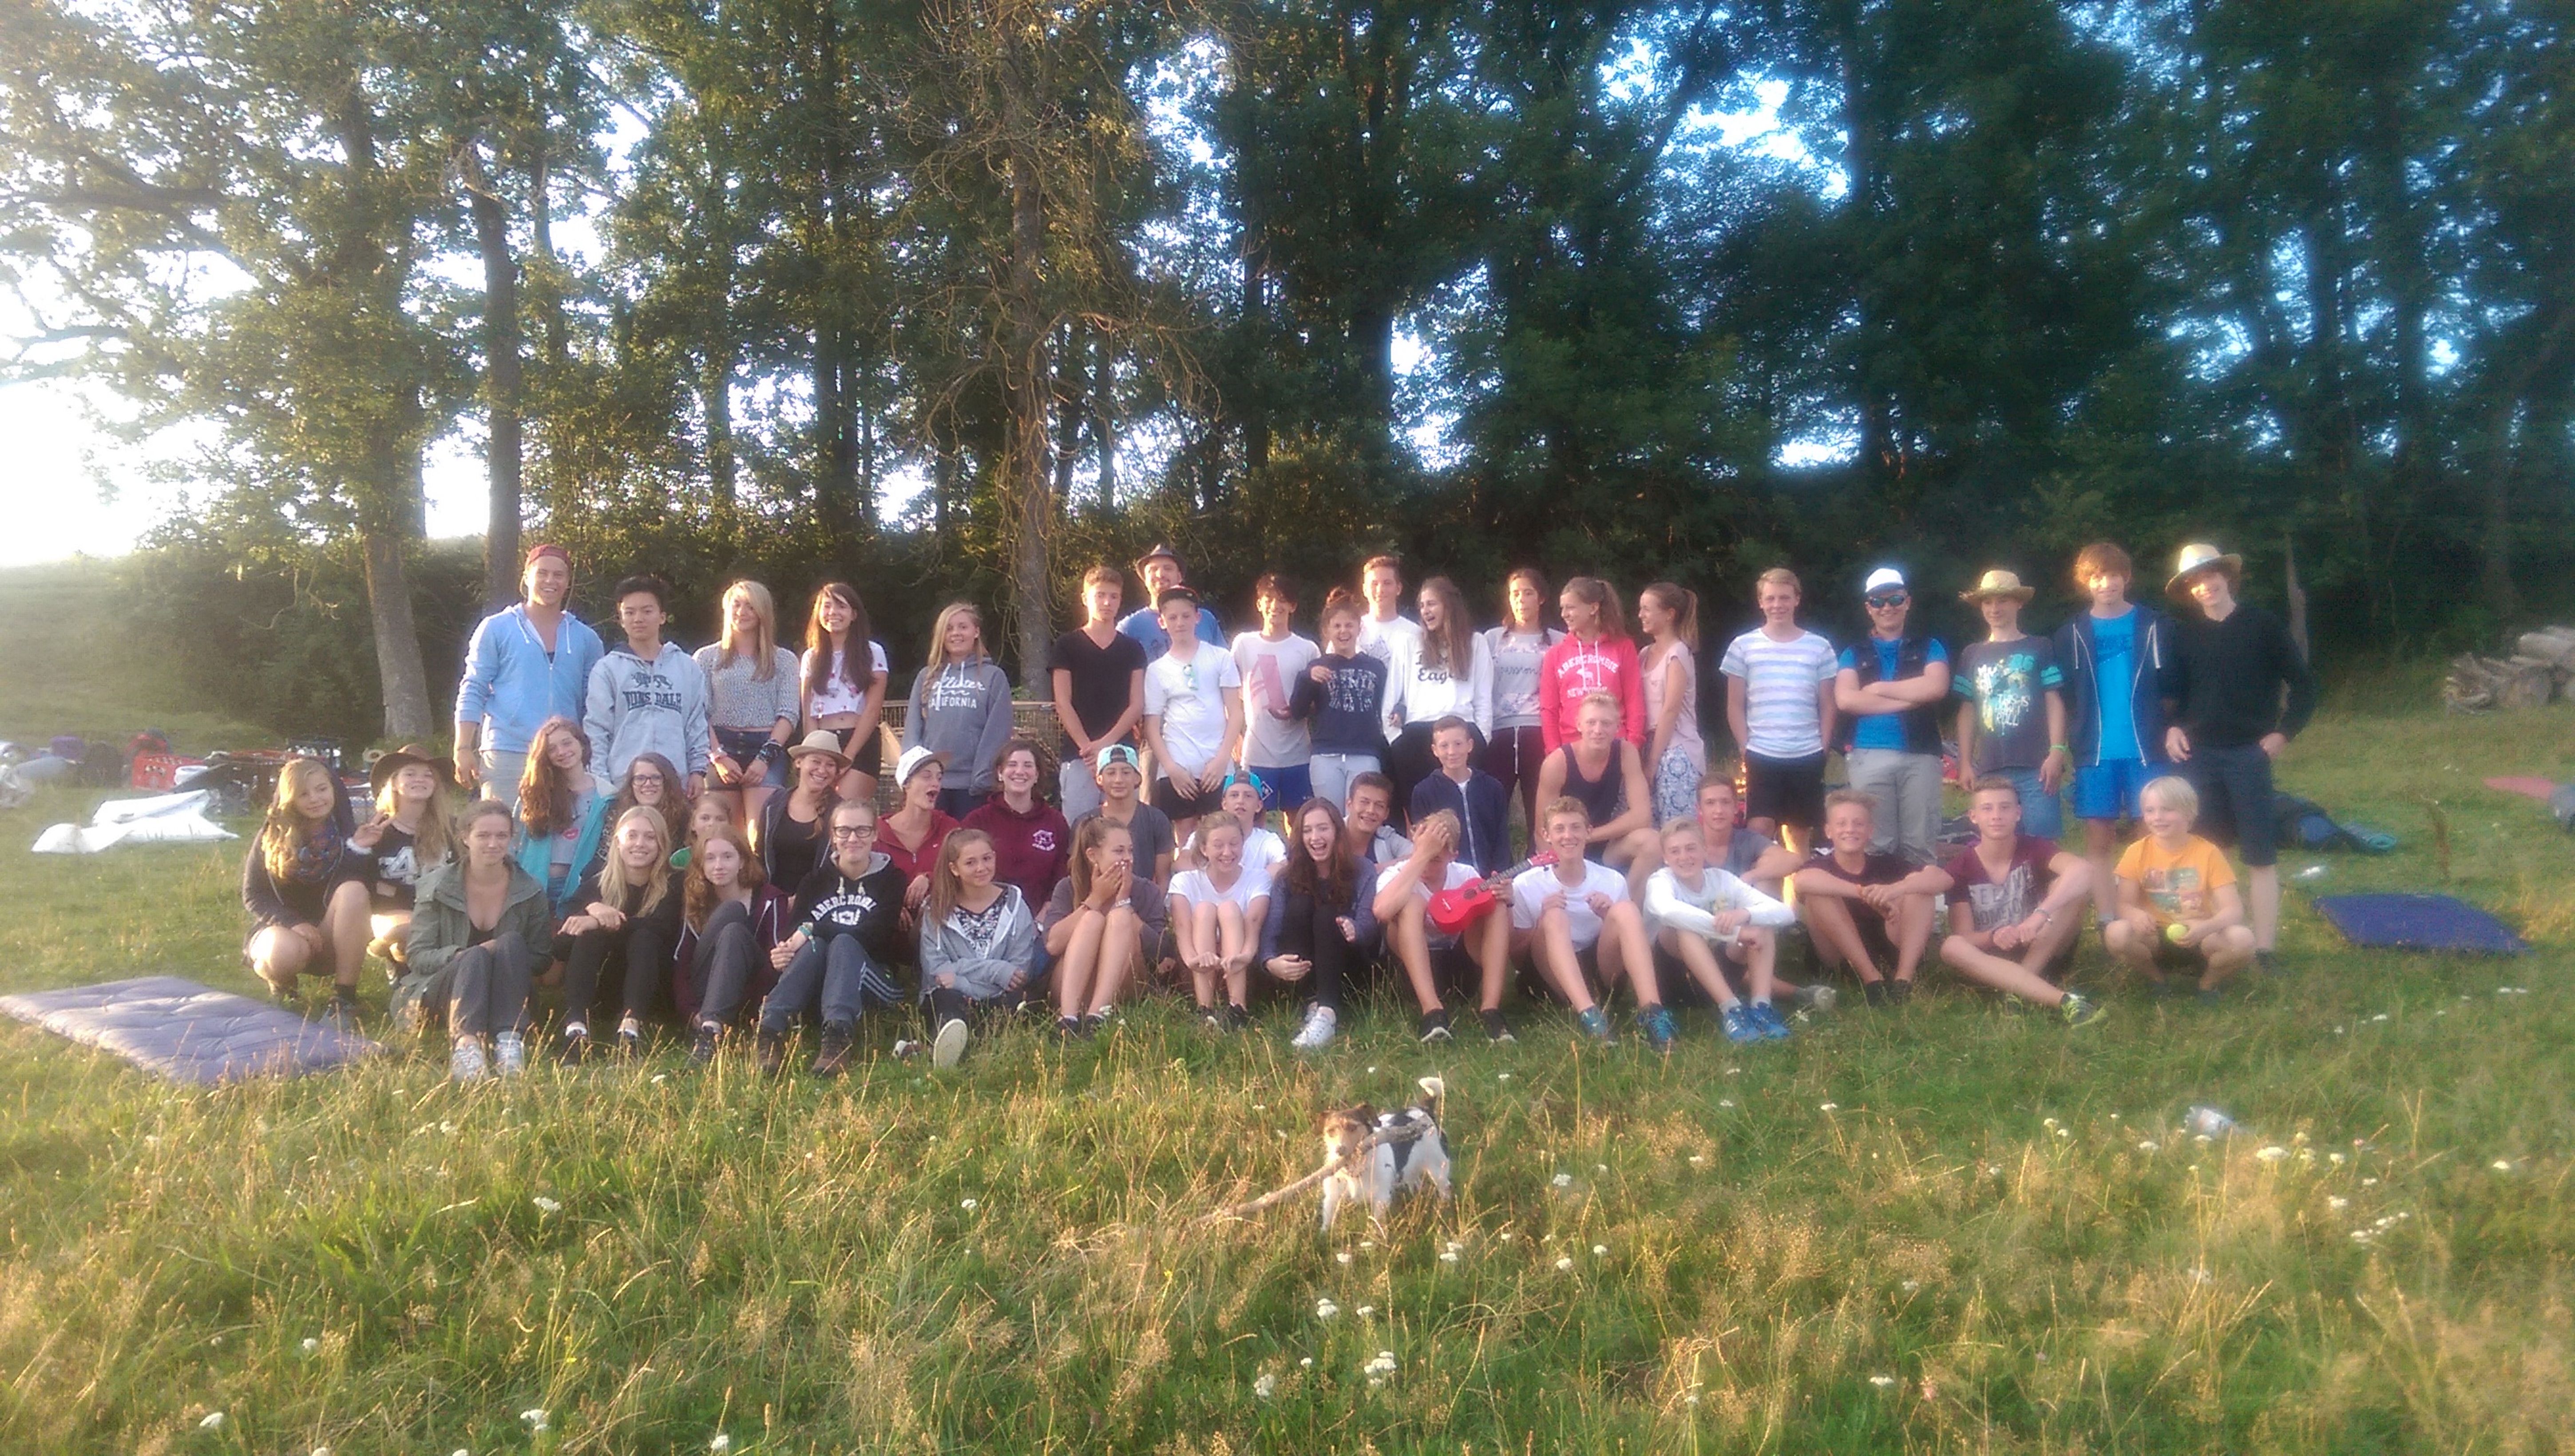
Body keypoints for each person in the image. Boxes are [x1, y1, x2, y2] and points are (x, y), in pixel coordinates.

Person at [2163, 542, 2317, 968]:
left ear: (2227, 577)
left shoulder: (2262, 625)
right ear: (2189, 590)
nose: (2205, 586)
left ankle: (2265, 949)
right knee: (2206, 855)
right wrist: (2170, 728)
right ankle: (2212, 942)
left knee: (2260, 855)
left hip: (2249, 755)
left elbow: (2305, 686)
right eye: (2195, 582)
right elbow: (2171, 696)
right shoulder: (2184, 635)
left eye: (2211, 576)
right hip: (2198, 758)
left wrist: (2284, 733)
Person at [2053, 543, 2175, 923]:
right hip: (2095, 752)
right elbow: (2063, 696)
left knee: (2151, 835)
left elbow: (2174, 686)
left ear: (2127, 577)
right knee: (2098, 839)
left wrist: (2171, 726)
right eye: (2096, 577)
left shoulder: (2155, 624)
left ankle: (2149, 915)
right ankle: (2108, 918)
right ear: (2085, 582)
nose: (2105, 583)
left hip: (2147, 748)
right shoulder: (2071, 633)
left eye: (2113, 575)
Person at [1920, 777, 2105, 1024]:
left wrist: (2039, 916)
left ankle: (2019, 988)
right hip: (1995, 963)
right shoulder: (1961, 866)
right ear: (1973, 817)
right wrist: (1994, 936)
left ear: (2018, 813)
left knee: (2072, 890)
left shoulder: (2035, 847)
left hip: (2043, 947)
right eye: (1987, 809)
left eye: (2005, 808)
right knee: (1951, 946)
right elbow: (1965, 936)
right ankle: (2061, 999)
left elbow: (2084, 870)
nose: (1997, 816)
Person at [393, 799, 550, 1081]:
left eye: (501, 836)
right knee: (475, 956)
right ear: (465, 837)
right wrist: (463, 955)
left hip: (506, 993)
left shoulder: (531, 890)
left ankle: (509, 1041)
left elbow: (541, 958)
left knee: (511, 941)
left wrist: (502, 954)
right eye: (483, 835)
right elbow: (418, 956)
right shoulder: (436, 887)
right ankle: (466, 1046)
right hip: (442, 991)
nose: (493, 844)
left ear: (512, 838)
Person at [760, 799, 908, 1076]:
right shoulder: (813, 881)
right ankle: (771, 1029)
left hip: (874, 979)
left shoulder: (893, 880)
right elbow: (797, 937)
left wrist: (813, 929)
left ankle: (838, 1038)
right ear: (833, 836)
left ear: (875, 835)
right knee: (815, 946)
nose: (853, 838)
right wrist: (784, 954)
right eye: (844, 831)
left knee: (843, 943)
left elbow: (875, 936)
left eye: (862, 830)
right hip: (819, 980)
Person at [1510, 797, 1673, 1049]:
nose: (1568, 836)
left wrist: (1608, 916)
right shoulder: (1525, 884)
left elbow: (1624, 938)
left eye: (1576, 828)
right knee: (1554, 916)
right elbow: (1517, 958)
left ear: (1588, 832)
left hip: (1599, 968)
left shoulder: (1612, 880)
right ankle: (1589, 1015)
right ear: (1546, 835)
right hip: (1550, 976)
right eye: (1560, 829)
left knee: (1626, 910)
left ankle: (1653, 1011)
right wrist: (1542, 921)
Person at [453, 544, 605, 810]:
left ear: (568, 582)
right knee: (502, 831)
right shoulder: (496, 628)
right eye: (542, 573)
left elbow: (594, 704)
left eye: (559, 575)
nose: (550, 581)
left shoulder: (586, 638)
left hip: (563, 755)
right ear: (526, 577)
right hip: (507, 752)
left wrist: (589, 752)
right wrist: (463, 747)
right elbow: (474, 687)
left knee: (562, 831)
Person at [2103, 775, 2257, 1002]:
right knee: (2116, 933)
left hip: (2203, 937)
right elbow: (2123, 904)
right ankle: (2157, 980)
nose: (2157, 818)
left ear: (2189, 813)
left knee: (2243, 940)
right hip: (2154, 937)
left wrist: (2206, 927)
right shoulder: (2136, 852)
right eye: (2150, 811)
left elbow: (2233, 910)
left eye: (2167, 810)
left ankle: (2207, 985)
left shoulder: (2209, 853)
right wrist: (2135, 915)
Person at [242, 756, 370, 1029]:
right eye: (304, 794)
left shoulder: (351, 833)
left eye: (322, 789)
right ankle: (282, 983)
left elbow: (365, 888)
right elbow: (253, 894)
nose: (315, 799)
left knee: (354, 891)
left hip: (331, 934)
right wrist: (294, 923)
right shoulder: (272, 835)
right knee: (281, 954)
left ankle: (345, 998)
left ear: (334, 790)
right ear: (290, 798)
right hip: (285, 931)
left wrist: (360, 851)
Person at [1643, 817, 1797, 1043]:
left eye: (1691, 848)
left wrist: (1744, 914)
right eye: (1675, 851)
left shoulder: (1723, 879)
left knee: (1759, 921)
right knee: (1683, 928)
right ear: (1665, 858)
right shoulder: (1660, 881)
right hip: (1674, 981)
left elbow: (1786, 913)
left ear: (1704, 850)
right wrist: (1736, 933)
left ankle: (1762, 1007)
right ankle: (1732, 1010)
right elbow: (1666, 911)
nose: (1684, 857)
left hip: (1722, 972)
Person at [1834, 568, 1950, 864]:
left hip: (1921, 755)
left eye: (1895, 599)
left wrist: (1880, 689)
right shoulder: (1853, 652)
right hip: (1868, 754)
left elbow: (1936, 687)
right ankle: (1881, 897)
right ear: (1868, 608)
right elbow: (1846, 699)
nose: (1887, 607)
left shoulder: (1930, 646)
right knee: (1875, 843)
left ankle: (1920, 896)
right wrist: (1910, 699)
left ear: (1907, 602)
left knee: (1920, 842)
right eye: (1878, 601)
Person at [1719, 567, 1840, 848]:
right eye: (1770, 598)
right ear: (1760, 602)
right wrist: (1745, 746)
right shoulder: (1743, 646)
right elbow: (1734, 705)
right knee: (1759, 828)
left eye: (1784, 598)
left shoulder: (1819, 647)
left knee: (1799, 831)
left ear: (1797, 599)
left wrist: (1823, 746)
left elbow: (1828, 705)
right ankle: (1761, 878)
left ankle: (1797, 879)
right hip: (1762, 752)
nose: (1778, 605)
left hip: (1807, 752)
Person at [1371, 809, 1513, 1044]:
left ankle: (1491, 1009)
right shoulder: (1397, 874)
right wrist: (1418, 858)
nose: (1426, 866)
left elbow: (1499, 930)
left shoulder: (1465, 874)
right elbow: (1381, 911)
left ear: (1453, 856)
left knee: (1495, 902)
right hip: (1412, 965)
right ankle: (1432, 1012)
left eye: (1435, 859)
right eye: (1422, 853)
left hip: (1459, 961)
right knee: (1412, 903)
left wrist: (1508, 900)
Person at [555, 804, 685, 1059]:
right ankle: (576, 1028)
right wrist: (591, 908)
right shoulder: (598, 883)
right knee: (589, 935)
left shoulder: (674, 883)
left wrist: (604, 921)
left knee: (644, 937)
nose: (640, 844)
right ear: (617, 842)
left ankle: (630, 1031)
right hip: (605, 987)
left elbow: (664, 928)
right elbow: (560, 948)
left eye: (650, 837)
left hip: (653, 985)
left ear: (662, 844)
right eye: (632, 836)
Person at [1953, 570, 2069, 842]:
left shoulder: (2040, 646)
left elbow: (2054, 701)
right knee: (1998, 842)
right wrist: (1965, 762)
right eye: (1988, 602)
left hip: (2037, 766)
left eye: (2003, 601)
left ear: (2019, 603)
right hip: (1991, 768)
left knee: (2042, 844)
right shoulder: (1972, 654)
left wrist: (2057, 752)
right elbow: (1968, 711)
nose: (1995, 609)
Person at [1793, 791, 1937, 1004]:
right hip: (1838, 956)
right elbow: (1802, 881)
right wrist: (1866, 895)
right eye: (1842, 824)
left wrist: (1895, 890)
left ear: (1870, 831)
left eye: (1858, 824)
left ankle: (1904, 980)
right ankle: (1872, 981)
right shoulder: (1819, 866)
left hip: (1888, 948)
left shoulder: (1886, 863)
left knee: (1921, 888)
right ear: (1829, 831)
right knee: (1818, 895)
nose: (1850, 829)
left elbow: (1941, 878)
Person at [918, 829, 1044, 1069]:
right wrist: (996, 971)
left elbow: (1018, 972)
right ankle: (952, 1045)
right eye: (970, 863)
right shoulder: (936, 909)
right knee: (945, 1001)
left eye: (987, 859)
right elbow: (937, 970)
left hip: (1001, 996)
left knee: (1023, 1001)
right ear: (954, 869)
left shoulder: (1015, 903)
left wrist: (961, 979)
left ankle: (959, 1042)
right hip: (955, 995)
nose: (981, 868)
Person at [696, 580, 804, 847]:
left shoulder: (785, 660)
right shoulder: (706, 658)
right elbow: (698, 712)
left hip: (766, 746)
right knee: (724, 837)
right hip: (719, 746)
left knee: (760, 838)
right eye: (737, 605)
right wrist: (718, 756)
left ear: (763, 612)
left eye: (751, 607)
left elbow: (789, 714)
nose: (742, 612)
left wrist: (765, 758)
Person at [1268, 799, 1381, 1051]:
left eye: (1323, 829)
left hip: (1348, 966)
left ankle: (1327, 1013)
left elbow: (1369, 925)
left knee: (1327, 915)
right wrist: (1269, 962)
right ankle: (1312, 1004)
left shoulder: (1362, 869)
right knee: (1300, 905)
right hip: (1300, 969)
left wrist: (1355, 929)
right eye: (1307, 831)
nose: (1315, 838)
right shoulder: (1287, 876)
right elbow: (1272, 927)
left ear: (1337, 831)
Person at [584, 574, 712, 796]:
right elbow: (597, 730)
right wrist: (601, 782)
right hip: (624, 783)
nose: (638, 619)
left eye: (647, 611)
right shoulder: (607, 669)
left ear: (662, 617)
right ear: (621, 619)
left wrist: (698, 771)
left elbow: (696, 724)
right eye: (629, 613)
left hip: (675, 782)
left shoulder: (687, 668)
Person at [673, 824, 792, 1063]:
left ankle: (711, 1030)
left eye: (728, 857)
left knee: (734, 931)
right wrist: (691, 1011)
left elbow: (776, 960)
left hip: (751, 989)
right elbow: (682, 962)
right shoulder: (695, 900)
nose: (719, 866)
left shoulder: (770, 899)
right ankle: (709, 1025)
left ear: (742, 862)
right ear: (701, 865)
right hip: (705, 989)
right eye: (710, 859)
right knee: (731, 914)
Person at [1042, 817, 1171, 1036]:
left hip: (1125, 983)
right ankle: (1068, 1020)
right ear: (1093, 855)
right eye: (1119, 851)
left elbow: (1160, 953)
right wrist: (1095, 900)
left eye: (1130, 851)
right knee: (1091, 919)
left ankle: (1097, 1017)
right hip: (1071, 986)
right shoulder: (1067, 887)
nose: (1128, 858)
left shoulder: (1146, 889)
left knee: (1120, 917)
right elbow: (1053, 945)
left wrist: (1124, 904)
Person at [1139, 586, 1244, 845]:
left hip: (1217, 767)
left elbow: (1236, 713)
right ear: (1162, 622)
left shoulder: (1220, 658)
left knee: (1222, 836)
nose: (1180, 623)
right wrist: (1171, 768)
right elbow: (1152, 726)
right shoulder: (1157, 670)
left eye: (1186, 616)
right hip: (1178, 768)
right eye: (1172, 618)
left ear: (1198, 618)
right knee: (1185, 838)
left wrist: (1222, 760)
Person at [1383, 575, 1493, 814]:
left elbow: (1484, 698)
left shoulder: (1475, 642)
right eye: (1422, 606)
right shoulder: (1409, 642)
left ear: (1448, 605)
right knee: (1422, 818)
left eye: (1432, 604)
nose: (1426, 611)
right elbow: (1391, 698)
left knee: (1462, 813)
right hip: (1416, 738)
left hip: (1462, 731)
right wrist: (1396, 741)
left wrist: (1482, 737)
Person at [1052, 565, 1147, 821]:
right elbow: (1063, 702)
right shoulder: (1066, 646)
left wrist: (1105, 746)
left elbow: (1136, 704)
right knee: (1079, 828)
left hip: (1122, 754)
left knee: (1125, 829)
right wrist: (1088, 749)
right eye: (1100, 595)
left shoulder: (1132, 649)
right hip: (1079, 756)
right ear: (1085, 599)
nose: (1107, 603)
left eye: (1114, 597)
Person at [905, 601, 1016, 820]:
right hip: (932, 785)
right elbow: (913, 730)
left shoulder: (993, 676)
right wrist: (913, 776)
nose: (956, 633)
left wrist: (982, 779)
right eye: (949, 628)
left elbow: (998, 732)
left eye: (963, 627)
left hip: (973, 787)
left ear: (976, 632)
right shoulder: (926, 676)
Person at [1531, 692, 1656, 871]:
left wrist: (1587, 835)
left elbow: (1642, 816)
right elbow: (1542, 831)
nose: (1598, 730)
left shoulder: (1626, 753)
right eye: (1591, 723)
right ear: (1579, 725)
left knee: (1651, 842)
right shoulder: (1557, 763)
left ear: (1618, 727)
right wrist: (1555, 868)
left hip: (1603, 844)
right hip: (1565, 846)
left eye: (1606, 723)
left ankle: (1626, 890)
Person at [1168, 815, 1271, 1027]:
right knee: (1205, 909)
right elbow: (1182, 928)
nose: (1227, 852)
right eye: (1218, 845)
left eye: (1234, 844)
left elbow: (1254, 924)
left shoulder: (1258, 878)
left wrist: (1244, 957)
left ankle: (1238, 1007)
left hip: (1241, 967)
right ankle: (1204, 1008)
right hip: (1196, 969)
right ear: (1204, 849)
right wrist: (1194, 960)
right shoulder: (1184, 881)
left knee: (1229, 909)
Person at [359, 744, 457, 966]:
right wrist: (360, 848)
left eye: (428, 775)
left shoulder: (452, 828)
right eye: (410, 774)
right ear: (394, 783)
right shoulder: (377, 828)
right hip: (390, 913)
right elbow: (363, 883)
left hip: (440, 910)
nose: (420, 780)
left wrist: (393, 890)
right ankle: (393, 957)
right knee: (412, 930)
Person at [1293, 590, 1390, 811]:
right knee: (1330, 816)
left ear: (1359, 628)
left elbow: (1387, 705)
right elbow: (1297, 712)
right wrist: (1307, 679)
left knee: (1361, 816)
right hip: (1326, 754)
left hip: (1366, 753)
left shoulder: (1376, 667)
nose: (1343, 631)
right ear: (1327, 631)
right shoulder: (1317, 666)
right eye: (1337, 626)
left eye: (1349, 625)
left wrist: (1399, 711)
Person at [1481, 567, 1563, 827]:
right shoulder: (1492, 639)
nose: (1521, 600)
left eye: (1528, 593)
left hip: (1539, 732)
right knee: (1491, 810)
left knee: (1540, 812)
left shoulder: (1559, 641)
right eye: (1515, 594)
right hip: (1499, 733)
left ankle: (1539, 852)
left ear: (1541, 598)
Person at [1232, 571, 1319, 812]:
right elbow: (1229, 693)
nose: (1275, 606)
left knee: (1299, 817)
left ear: (1293, 606)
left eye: (1282, 600)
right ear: (1259, 604)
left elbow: (1318, 701)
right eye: (1269, 599)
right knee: (1254, 814)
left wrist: (1301, 708)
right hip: (1257, 751)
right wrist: (1235, 734)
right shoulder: (1243, 644)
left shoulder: (1308, 649)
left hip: (1298, 752)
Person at [800, 582, 891, 806]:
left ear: (854, 615)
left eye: (841, 606)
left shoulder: (873, 652)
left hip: (859, 740)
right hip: (823, 740)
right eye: (827, 606)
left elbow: (872, 709)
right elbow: (808, 711)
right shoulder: (811, 657)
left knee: (846, 812)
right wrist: (813, 753)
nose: (833, 613)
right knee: (818, 811)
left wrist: (848, 756)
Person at [963, 736, 1072, 909]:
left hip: (1044, 916)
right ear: (1000, 773)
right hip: (988, 914)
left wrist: (1048, 911)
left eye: (1028, 765)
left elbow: (1062, 873)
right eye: (1012, 765)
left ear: (1037, 775)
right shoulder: (978, 821)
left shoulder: (1055, 822)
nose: (1020, 772)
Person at [512, 716, 606, 916]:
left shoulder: (606, 796)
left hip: (581, 888)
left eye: (567, 743)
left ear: (581, 743)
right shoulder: (535, 794)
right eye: (552, 749)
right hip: (535, 885)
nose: (562, 752)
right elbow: (516, 843)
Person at [1540, 577, 1645, 752]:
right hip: (1570, 748)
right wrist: (1554, 751)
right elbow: (1549, 709)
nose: (1564, 614)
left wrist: (1633, 745)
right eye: (1562, 608)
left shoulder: (1623, 647)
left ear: (1593, 608)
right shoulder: (1555, 654)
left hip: (1614, 746)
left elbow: (1635, 700)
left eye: (1571, 607)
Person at [1637, 582, 1706, 826]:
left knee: (1677, 828)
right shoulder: (1644, 654)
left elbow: (1670, 710)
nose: (1641, 615)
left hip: (1676, 749)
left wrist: (1653, 762)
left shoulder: (1678, 653)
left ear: (1669, 614)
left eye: (1647, 609)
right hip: (1649, 746)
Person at [1407, 716, 1509, 875]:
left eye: (1458, 744)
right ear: (1435, 750)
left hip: (1491, 878)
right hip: (1450, 880)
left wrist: (1501, 874)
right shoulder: (1424, 792)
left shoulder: (1492, 787)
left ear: (1470, 745)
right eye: (1444, 746)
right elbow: (1424, 844)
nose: (1452, 752)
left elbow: (1502, 839)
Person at [1074, 744, 1177, 887]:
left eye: (1126, 773)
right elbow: (1078, 875)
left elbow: (1163, 879)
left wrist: (1152, 901)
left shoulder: (1156, 819)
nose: (1118, 780)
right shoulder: (1085, 823)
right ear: (1100, 779)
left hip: (1145, 898)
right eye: (1111, 773)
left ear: (1137, 778)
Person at [881, 745, 961, 926]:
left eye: (939, 778)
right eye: (926, 776)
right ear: (906, 784)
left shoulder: (950, 828)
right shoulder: (877, 832)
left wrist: (930, 878)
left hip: (941, 925)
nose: (936, 783)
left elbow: (965, 873)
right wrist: (890, 906)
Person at [760, 731, 845, 893]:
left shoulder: (841, 811)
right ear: (799, 762)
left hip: (821, 899)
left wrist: (803, 899)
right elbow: (761, 855)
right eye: (816, 762)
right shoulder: (774, 804)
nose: (822, 770)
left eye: (830, 765)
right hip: (774, 898)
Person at [1117, 543, 1227, 657]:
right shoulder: (1130, 628)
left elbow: (1224, 661)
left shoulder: (1206, 620)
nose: (1160, 574)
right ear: (1145, 580)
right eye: (1153, 570)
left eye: (1168, 569)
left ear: (1180, 577)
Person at [595, 753, 684, 871]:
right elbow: (604, 859)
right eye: (640, 779)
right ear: (631, 783)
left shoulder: (684, 819)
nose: (648, 784)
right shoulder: (614, 814)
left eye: (656, 778)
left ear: (667, 782)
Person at [1354, 555, 1425, 686]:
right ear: (1365, 590)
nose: (1380, 590)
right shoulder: (1349, 630)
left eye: (1387, 583)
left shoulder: (1416, 633)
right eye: (1374, 584)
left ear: (1399, 588)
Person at [1214, 772, 1289, 879]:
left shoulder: (1268, 840)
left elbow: (1282, 865)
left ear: (1259, 806)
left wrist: (1253, 883)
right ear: (1224, 804)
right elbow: (1188, 865)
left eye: (1248, 796)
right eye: (1234, 795)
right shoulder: (1205, 836)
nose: (1240, 801)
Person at [1343, 771, 1412, 867]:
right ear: (1349, 805)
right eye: (1364, 802)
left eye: (1379, 806)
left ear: (1386, 814)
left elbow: (1421, 855)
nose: (1371, 811)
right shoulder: (1332, 834)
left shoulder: (1387, 837)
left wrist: (1382, 868)